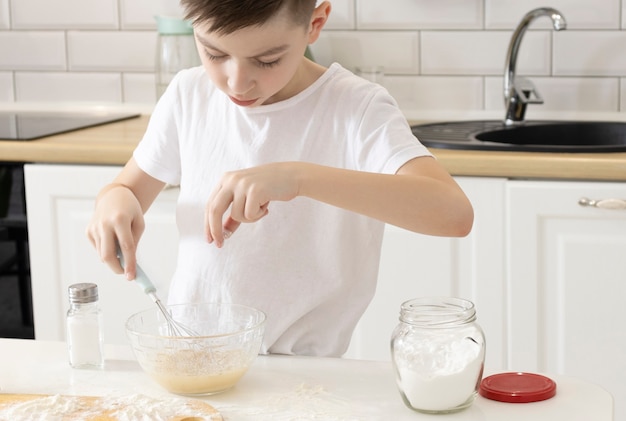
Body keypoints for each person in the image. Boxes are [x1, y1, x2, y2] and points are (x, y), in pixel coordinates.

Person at [86, 0, 474, 357]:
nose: (236, 83)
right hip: (190, 353)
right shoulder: (189, 95)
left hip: (304, 371)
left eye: (267, 60)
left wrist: (298, 177)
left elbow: (453, 214)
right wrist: (114, 201)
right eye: (214, 53)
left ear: (315, 24)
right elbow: (125, 189)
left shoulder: (356, 108)